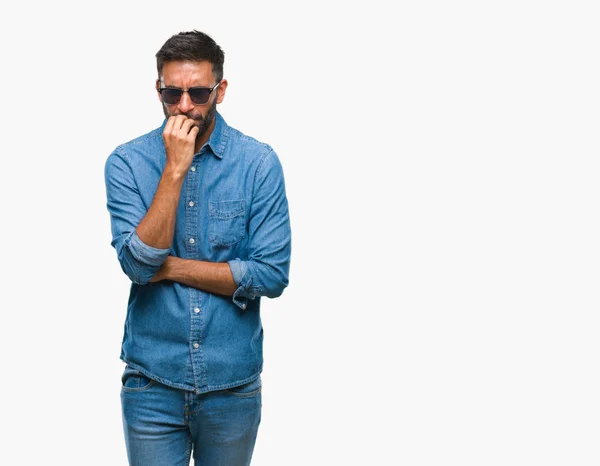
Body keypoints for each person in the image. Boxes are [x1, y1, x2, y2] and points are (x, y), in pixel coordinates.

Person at [104, 30, 291, 466]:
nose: (184, 105)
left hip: (232, 385)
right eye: (172, 92)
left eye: (198, 92)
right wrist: (174, 169)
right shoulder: (127, 162)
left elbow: (270, 274)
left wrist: (170, 268)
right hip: (152, 383)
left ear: (220, 91)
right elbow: (137, 264)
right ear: (158, 89)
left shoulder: (258, 164)